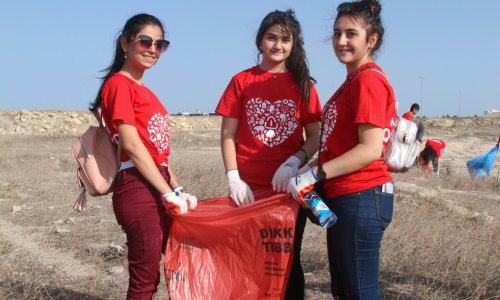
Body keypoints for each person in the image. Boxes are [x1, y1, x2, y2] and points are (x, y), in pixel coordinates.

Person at [288, 1, 396, 299]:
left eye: (351, 34)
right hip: (347, 197)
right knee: (345, 291)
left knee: (358, 292)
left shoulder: (368, 81)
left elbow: (370, 149)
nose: (342, 41)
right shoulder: (354, 80)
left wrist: (315, 172)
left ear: (371, 39)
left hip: (361, 196)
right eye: (337, 33)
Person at [88, 13, 197, 299]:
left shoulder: (147, 92)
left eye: (160, 44)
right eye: (145, 41)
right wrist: (166, 194)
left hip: (157, 183)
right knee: (145, 280)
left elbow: (158, 153)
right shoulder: (118, 84)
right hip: (137, 188)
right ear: (125, 42)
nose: (152, 49)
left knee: (181, 264)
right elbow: (133, 146)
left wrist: (178, 189)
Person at [215, 9, 322, 299]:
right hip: (247, 191)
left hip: (287, 193)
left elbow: (316, 135)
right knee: (248, 260)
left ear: (294, 43)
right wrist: (233, 177)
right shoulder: (242, 81)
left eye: (285, 39)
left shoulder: (303, 85)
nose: (278, 45)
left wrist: (295, 159)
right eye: (271, 37)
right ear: (260, 41)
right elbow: (227, 135)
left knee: (287, 263)